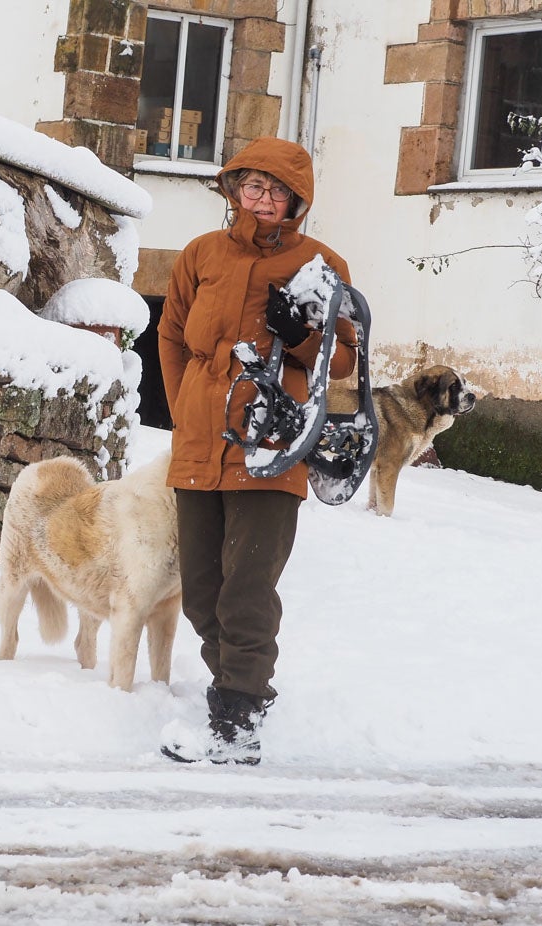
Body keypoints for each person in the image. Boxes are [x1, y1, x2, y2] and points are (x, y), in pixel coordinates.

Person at [158, 137, 358, 765]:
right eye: (252, 185)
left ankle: (236, 722)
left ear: (296, 200)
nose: (262, 198)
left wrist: (301, 337)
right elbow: (170, 336)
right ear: (233, 189)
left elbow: (346, 359)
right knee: (200, 590)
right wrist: (186, 409)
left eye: (276, 190)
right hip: (199, 445)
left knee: (246, 590)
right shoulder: (200, 255)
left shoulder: (320, 264)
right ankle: (241, 692)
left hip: (273, 446)